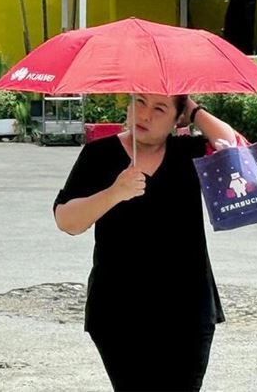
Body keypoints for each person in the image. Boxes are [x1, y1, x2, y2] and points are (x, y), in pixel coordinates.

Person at [54, 93, 238, 391]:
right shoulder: (99, 154)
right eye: (139, 102)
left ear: (177, 119)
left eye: (159, 108)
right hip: (119, 312)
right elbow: (67, 220)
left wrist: (192, 109)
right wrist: (115, 192)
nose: (145, 115)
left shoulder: (188, 152)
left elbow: (230, 143)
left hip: (187, 310)